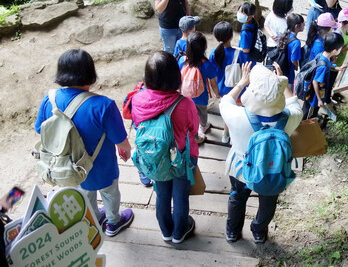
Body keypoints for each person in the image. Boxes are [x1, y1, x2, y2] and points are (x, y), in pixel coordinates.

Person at [35, 49, 134, 237]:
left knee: (84, 191)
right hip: (102, 166)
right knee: (110, 193)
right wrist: (126, 150)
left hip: (69, 166)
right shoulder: (104, 105)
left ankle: (94, 217)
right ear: (90, 74)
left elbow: (40, 129)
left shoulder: (49, 100)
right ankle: (113, 222)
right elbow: (120, 139)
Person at [220, 63, 302, 243]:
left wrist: (242, 82)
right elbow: (295, 104)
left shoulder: (236, 116)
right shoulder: (291, 117)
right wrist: (282, 83)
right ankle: (258, 231)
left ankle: (233, 231)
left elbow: (225, 101)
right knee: (268, 202)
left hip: (241, 169)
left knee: (237, 197)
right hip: (273, 169)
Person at [131, 51, 199, 244]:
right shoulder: (185, 103)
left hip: (154, 156)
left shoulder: (138, 99)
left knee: (161, 194)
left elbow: (137, 123)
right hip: (181, 157)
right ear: (175, 76)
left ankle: (166, 231)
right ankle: (179, 232)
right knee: (180, 196)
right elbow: (193, 130)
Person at [209, 21, 248, 144]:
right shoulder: (239, 53)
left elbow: (212, 77)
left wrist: (217, 93)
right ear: (231, 36)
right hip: (238, 91)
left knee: (227, 112)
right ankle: (235, 136)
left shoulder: (213, 54)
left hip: (223, 91)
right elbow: (246, 72)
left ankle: (225, 134)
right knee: (237, 112)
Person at [178, 32, 221, 143]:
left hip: (185, 96)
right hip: (201, 96)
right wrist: (217, 94)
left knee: (189, 114)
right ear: (204, 47)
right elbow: (213, 83)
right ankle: (203, 126)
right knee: (202, 112)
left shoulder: (182, 61)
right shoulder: (207, 64)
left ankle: (192, 130)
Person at [302, 33, 346, 120]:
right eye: (340, 48)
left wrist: (337, 67)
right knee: (309, 113)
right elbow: (315, 82)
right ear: (334, 51)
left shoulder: (323, 55)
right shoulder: (323, 67)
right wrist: (319, 99)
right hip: (314, 97)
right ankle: (305, 125)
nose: (340, 50)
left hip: (316, 93)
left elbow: (329, 64)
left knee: (311, 111)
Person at [276, 13, 305, 88]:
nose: (304, 25)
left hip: (281, 68)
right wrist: (296, 66)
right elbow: (293, 60)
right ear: (296, 26)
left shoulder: (285, 34)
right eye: (303, 24)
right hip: (288, 72)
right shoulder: (296, 42)